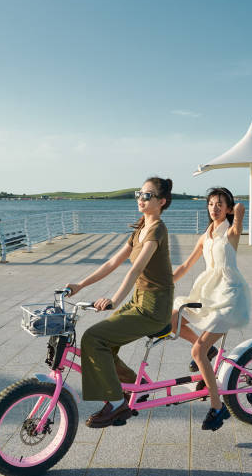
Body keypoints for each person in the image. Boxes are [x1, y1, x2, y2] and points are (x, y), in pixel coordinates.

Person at [65, 177, 174, 428]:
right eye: (139, 193)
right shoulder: (139, 231)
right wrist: (80, 285)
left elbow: (135, 270)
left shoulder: (157, 229)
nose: (141, 199)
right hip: (139, 301)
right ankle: (137, 386)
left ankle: (115, 403)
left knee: (94, 338)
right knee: (102, 343)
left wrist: (114, 299)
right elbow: (112, 263)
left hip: (154, 307)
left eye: (147, 195)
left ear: (161, 202)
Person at [172, 187, 250, 431]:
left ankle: (217, 407)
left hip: (228, 295)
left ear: (227, 208)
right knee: (171, 316)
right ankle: (210, 352)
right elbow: (185, 265)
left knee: (197, 352)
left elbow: (239, 219)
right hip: (208, 292)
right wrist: (163, 284)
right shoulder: (205, 236)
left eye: (220, 204)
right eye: (211, 204)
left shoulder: (230, 231)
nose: (214, 208)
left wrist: (237, 212)